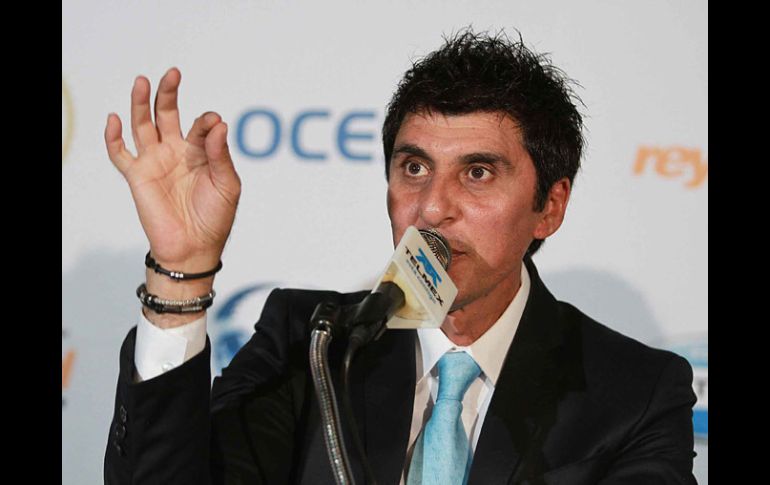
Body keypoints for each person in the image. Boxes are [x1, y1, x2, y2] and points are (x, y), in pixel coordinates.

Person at [103, 29, 697, 484]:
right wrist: (180, 274)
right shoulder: (310, 343)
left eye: (478, 172)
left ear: (550, 206)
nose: (432, 207)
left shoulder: (636, 393)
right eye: (414, 168)